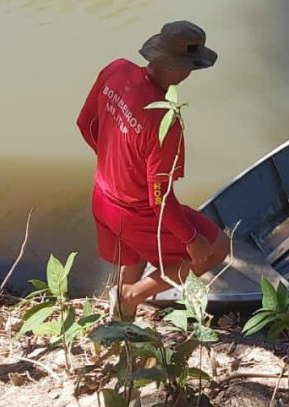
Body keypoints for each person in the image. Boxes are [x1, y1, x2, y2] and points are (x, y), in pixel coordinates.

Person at [77, 20, 229, 320]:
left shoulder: (116, 70)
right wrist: (190, 240)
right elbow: (159, 196)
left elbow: (85, 123)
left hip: (103, 197)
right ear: (180, 68)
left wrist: (115, 162)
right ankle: (132, 296)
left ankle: (121, 326)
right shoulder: (165, 122)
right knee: (217, 247)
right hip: (136, 211)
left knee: (130, 259)